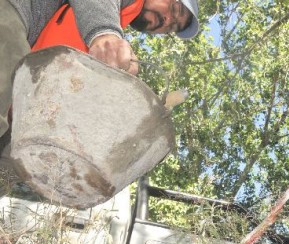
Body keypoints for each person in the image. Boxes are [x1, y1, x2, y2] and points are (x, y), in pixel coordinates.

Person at [0, 0, 200, 141]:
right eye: (174, 9)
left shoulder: (117, 21)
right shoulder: (109, 22)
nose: (167, 20)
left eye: (172, 26)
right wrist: (104, 34)